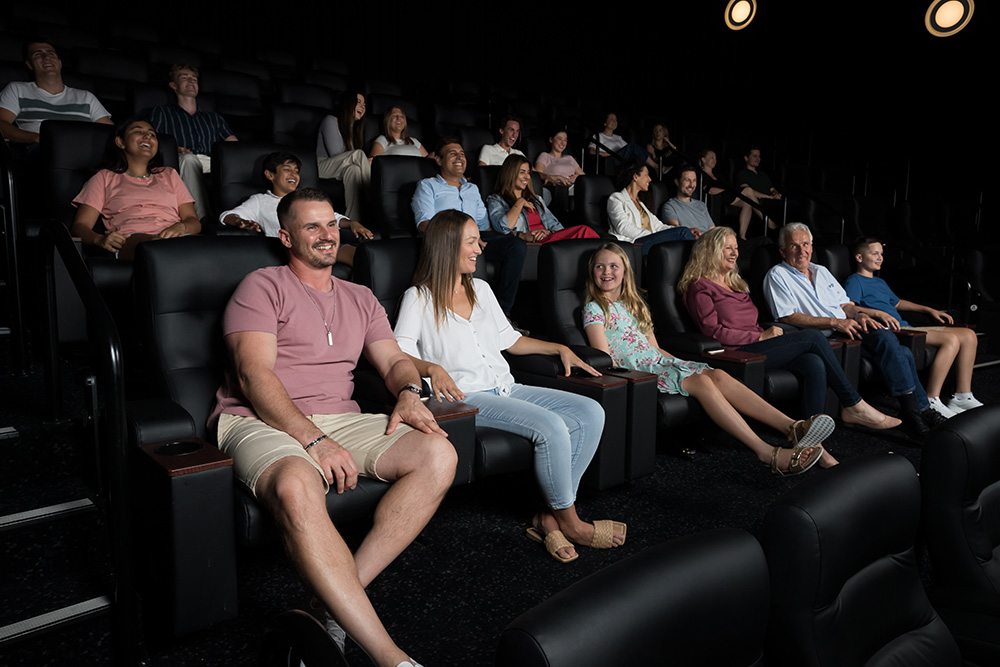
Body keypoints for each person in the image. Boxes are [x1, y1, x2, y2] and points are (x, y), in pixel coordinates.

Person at [210, 187, 455, 667]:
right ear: (285, 236)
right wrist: (314, 440)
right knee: (298, 485)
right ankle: (391, 658)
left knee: (439, 455)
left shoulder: (360, 296)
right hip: (256, 418)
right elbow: (252, 376)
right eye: (312, 227)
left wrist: (408, 392)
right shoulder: (261, 286)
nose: (327, 235)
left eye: (331, 224)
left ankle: (331, 605)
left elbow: (394, 362)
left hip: (340, 418)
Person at [394, 210, 623, 563]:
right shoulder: (418, 297)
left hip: (505, 387)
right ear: (447, 246)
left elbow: (511, 341)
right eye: (471, 241)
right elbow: (398, 354)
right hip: (465, 398)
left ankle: (549, 516)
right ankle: (572, 523)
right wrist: (430, 367)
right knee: (551, 426)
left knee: (590, 411)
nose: (479, 248)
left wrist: (559, 347)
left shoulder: (482, 290)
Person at [584, 242, 829, 475]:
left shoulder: (636, 305)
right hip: (636, 372)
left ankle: (792, 427)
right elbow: (605, 358)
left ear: (625, 271)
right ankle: (767, 452)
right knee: (701, 382)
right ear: (592, 272)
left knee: (718, 374)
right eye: (600, 266)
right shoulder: (594, 308)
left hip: (657, 362)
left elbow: (655, 349)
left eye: (614, 266)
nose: (607, 272)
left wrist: (679, 364)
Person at [679, 227, 901, 439]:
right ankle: (853, 404)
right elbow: (713, 333)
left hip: (756, 345)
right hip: (735, 352)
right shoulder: (699, 286)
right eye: (728, 248)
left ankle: (812, 436)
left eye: (736, 248)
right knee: (812, 337)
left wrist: (764, 334)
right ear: (711, 250)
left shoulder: (736, 283)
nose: (735, 253)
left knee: (812, 362)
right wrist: (759, 336)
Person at [763, 223, 946, 438]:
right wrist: (835, 323)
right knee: (899, 350)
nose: (802, 250)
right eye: (794, 246)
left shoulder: (821, 270)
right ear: (782, 251)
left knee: (893, 344)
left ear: (812, 247)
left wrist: (860, 315)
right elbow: (787, 315)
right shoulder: (777, 275)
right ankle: (915, 413)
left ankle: (920, 410)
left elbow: (845, 305)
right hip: (825, 335)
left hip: (848, 327)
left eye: (805, 244)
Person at [846, 237, 983, 417]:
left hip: (905, 326)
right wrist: (876, 313)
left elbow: (897, 303)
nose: (880, 258)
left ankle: (962, 396)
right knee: (951, 339)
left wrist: (929, 310)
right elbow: (849, 306)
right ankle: (931, 398)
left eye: (881, 254)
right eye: (874, 254)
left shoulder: (880, 282)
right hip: (893, 331)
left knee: (969, 335)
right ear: (859, 257)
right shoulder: (854, 281)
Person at [412, 136, 526, 317]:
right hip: (446, 240)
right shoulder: (428, 186)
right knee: (470, 249)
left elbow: (484, 226)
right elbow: (424, 224)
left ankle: (503, 315)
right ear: (439, 160)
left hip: (478, 237)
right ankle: (473, 315)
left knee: (515, 246)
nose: (459, 158)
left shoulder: (471, 188)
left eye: (462, 154)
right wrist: (465, 237)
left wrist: (487, 238)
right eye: (452, 154)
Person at [71, 117, 201, 260]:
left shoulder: (169, 174)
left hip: (175, 237)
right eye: (138, 131)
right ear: (120, 142)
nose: (147, 136)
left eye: (152, 134)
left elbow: (192, 221)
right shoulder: (104, 177)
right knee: (158, 249)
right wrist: (99, 240)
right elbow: (80, 226)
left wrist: (182, 227)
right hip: (132, 238)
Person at [218, 151, 372, 265]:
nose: (294, 174)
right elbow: (227, 215)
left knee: (363, 259)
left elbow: (334, 218)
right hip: (291, 252)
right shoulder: (260, 201)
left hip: (321, 245)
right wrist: (240, 222)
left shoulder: (305, 197)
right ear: (270, 175)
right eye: (287, 169)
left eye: (296, 171)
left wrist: (351, 223)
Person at [150, 64, 238, 220]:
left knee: (235, 164)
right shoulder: (162, 112)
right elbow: (152, 139)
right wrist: (174, 149)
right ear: (173, 85)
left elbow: (234, 145)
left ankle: (237, 218)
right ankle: (201, 219)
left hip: (211, 161)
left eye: (194, 79)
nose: (191, 82)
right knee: (189, 160)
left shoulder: (213, 118)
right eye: (184, 77)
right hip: (179, 160)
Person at [0, 39, 113, 150]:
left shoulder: (86, 97)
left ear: (59, 63)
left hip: (85, 150)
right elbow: (2, 124)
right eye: (38, 54)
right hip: (43, 151)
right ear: (29, 64)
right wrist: (37, 138)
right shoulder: (17, 89)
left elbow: (112, 132)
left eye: (51, 53)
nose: (47, 57)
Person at [486, 155, 599, 243]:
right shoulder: (496, 200)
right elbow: (503, 227)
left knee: (585, 235)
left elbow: (556, 226)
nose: (527, 177)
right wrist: (519, 202)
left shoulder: (536, 199)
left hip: (548, 238)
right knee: (584, 231)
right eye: (522, 172)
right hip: (529, 242)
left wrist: (549, 232)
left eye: (529, 173)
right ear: (510, 173)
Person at [607, 161, 695, 253]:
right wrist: (651, 235)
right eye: (647, 175)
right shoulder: (616, 198)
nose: (649, 179)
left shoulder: (641, 203)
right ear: (636, 177)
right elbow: (622, 226)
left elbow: (659, 226)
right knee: (683, 232)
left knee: (684, 233)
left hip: (649, 240)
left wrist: (682, 230)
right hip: (633, 244)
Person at [317, 92, 371, 222]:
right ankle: (372, 199)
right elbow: (336, 154)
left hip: (341, 168)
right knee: (358, 154)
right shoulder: (330, 121)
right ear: (348, 104)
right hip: (322, 166)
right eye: (358, 102)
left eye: (364, 104)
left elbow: (349, 162)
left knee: (354, 170)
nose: (362, 107)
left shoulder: (355, 131)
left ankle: (354, 222)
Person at [698, 149, 762, 240]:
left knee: (747, 203)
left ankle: (742, 236)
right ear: (703, 159)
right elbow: (708, 189)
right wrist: (725, 191)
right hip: (716, 198)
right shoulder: (701, 174)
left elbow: (728, 186)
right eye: (712, 158)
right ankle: (764, 217)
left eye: (715, 158)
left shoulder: (717, 174)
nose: (715, 160)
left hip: (727, 195)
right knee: (747, 190)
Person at [588, 113, 661, 175]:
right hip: (611, 160)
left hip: (623, 159)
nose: (615, 121)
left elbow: (627, 149)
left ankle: (650, 169)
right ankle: (657, 167)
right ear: (605, 123)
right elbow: (591, 151)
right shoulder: (598, 136)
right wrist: (610, 154)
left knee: (636, 151)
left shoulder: (618, 137)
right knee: (632, 146)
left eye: (616, 120)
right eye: (612, 119)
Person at [660, 165, 716, 236]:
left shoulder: (701, 205)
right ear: (677, 182)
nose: (691, 185)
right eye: (687, 180)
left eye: (694, 180)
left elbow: (713, 230)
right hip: (692, 242)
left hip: (709, 242)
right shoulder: (670, 206)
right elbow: (675, 232)